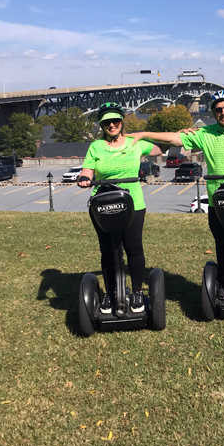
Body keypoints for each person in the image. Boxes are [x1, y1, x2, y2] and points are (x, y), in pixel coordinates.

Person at [128, 90, 224, 302]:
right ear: (213, 113)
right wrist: (143, 134)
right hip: (219, 198)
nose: (223, 112)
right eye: (218, 110)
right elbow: (175, 139)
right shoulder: (205, 134)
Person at [77, 102, 164, 314]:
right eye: (107, 122)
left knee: (133, 248)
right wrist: (83, 178)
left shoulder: (135, 142)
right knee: (108, 250)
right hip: (103, 204)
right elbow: (88, 169)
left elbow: (160, 148)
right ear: (102, 125)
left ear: (122, 122)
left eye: (116, 120)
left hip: (132, 204)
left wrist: (144, 134)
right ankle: (110, 293)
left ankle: (135, 292)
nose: (112, 124)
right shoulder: (96, 147)